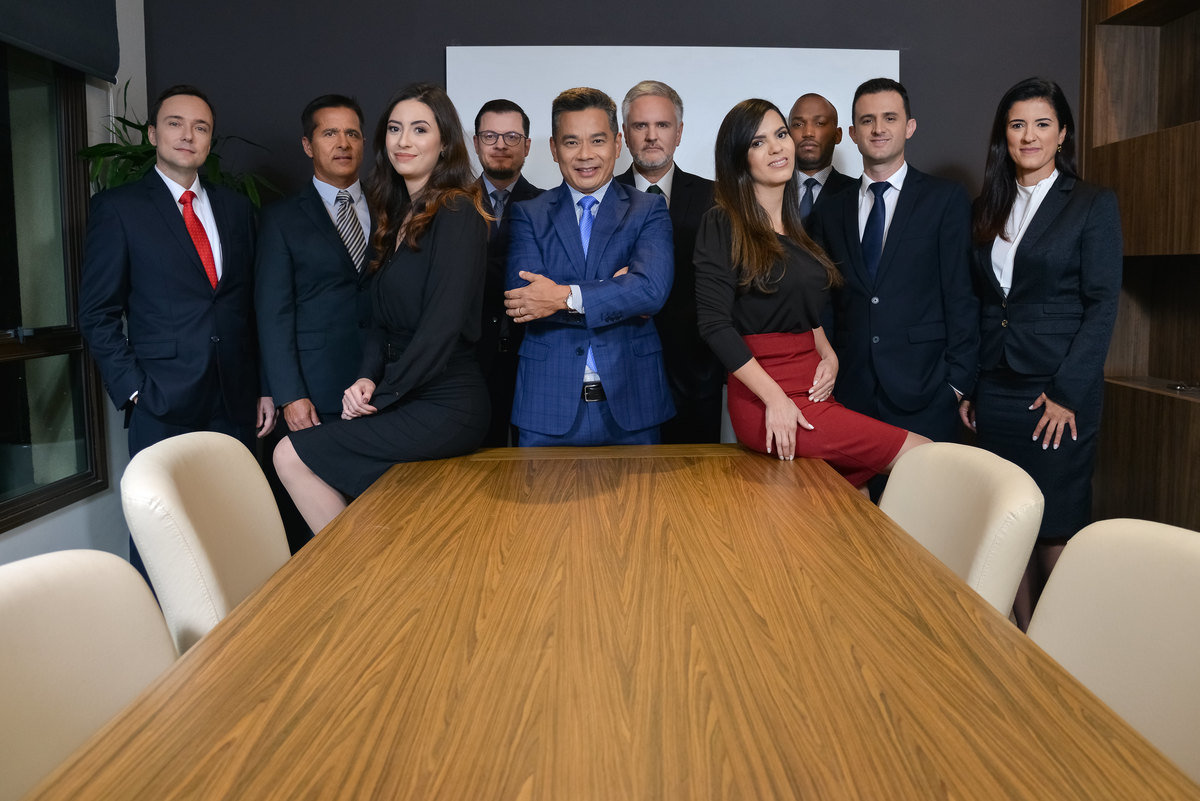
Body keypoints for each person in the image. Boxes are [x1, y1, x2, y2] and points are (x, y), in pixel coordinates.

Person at [274, 83, 490, 533]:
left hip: (446, 401)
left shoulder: (457, 210)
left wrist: (383, 396)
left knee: (290, 454)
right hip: (404, 391)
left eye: (419, 129)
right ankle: (369, 569)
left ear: (445, 142)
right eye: (394, 129)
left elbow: (441, 327)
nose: (403, 141)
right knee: (375, 507)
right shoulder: (395, 215)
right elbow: (379, 324)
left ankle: (350, 569)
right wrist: (365, 380)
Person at [694, 98, 928, 487]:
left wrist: (828, 355)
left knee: (853, 495)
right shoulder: (723, 222)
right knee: (924, 454)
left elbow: (804, 312)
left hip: (814, 389)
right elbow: (714, 325)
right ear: (739, 159)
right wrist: (775, 399)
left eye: (780, 134)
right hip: (768, 397)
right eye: (758, 142)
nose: (776, 147)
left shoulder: (798, 229)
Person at [960, 77, 1121, 627]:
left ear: (1062, 133)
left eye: (1042, 124)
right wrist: (974, 384)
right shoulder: (986, 206)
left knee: (1055, 526)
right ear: (1003, 135)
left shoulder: (1092, 204)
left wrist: (1067, 392)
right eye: (1017, 124)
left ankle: (1063, 651)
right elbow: (983, 302)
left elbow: (1102, 305)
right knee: (1009, 524)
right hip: (998, 389)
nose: (1029, 135)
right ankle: (1020, 646)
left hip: (1057, 392)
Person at [80, 84, 275, 458]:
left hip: (237, 401)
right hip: (161, 402)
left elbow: (252, 307)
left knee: (236, 498)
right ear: (153, 134)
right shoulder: (119, 209)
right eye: (175, 123)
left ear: (209, 140)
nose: (188, 135)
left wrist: (265, 387)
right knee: (166, 499)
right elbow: (96, 313)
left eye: (200, 127)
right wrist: (134, 389)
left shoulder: (236, 209)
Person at [807, 78, 978, 445]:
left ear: (909, 127)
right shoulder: (830, 210)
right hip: (850, 392)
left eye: (890, 118)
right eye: (867, 120)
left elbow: (961, 294)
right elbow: (826, 303)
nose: (878, 129)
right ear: (853, 133)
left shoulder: (944, 199)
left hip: (926, 391)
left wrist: (957, 384)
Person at [503, 87, 674, 446]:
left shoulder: (648, 209)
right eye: (571, 142)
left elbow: (650, 291)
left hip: (633, 399)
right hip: (546, 405)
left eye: (597, 140)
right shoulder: (528, 214)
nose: (585, 155)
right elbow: (524, 302)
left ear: (617, 143)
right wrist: (617, 294)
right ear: (554, 149)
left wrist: (562, 296)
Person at [255, 94, 374, 549]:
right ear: (308, 145)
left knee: (384, 509)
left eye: (352, 133)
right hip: (316, 393)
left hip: (384, 388)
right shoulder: (281, 218)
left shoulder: (392, 208)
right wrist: (290, 394)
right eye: (330, 133)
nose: (343, 143)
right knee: (321, 527)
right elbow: (273, 311)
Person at [615, 79, 722, 443]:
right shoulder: (601, 197)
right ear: (624, 134)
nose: (651, 136)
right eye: (640, 125)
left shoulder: (716, 197)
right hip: (620, 369)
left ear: (679, 132)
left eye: (662, 125)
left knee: (696, 476)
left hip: (696, 374)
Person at [472, 99, 544, 447]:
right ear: (476, 143)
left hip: (533, 352)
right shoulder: (451, 204)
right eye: (490, 136)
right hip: (469, 357)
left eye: (512, 137)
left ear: (527, 145)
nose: (500, 145)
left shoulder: (548, 205)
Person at [787, 92, 857, 225]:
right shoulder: (767, 191)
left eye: (820, 123)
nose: (808, 133)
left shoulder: (857, 193)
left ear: (838, 135)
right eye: (798, 124)